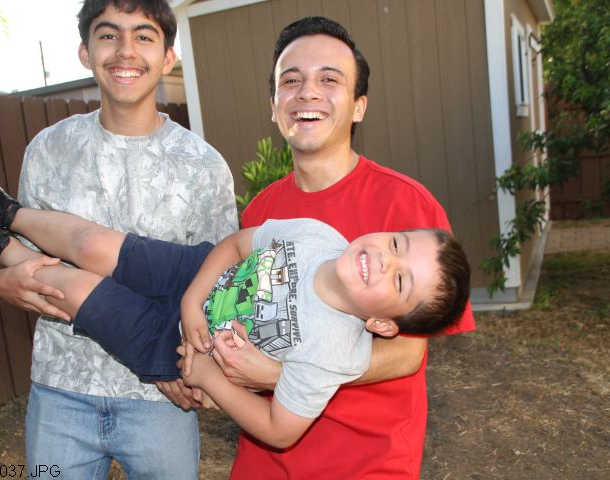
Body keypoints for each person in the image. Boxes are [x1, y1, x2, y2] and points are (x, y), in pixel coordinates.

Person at [0, 163, 470, 450]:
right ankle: (9, 212)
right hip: (192, 273)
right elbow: (236, 245)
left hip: (180, 348)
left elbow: (281, 430)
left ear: (381, 324)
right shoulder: (316, 234)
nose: (384, 260)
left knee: (75, 291)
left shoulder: (337, 354)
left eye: (401, 281)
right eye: (397, 244)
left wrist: (209, 377)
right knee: (93, 244)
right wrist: (192, 295)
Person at [196, 16, 477, 479]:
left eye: (329, 80)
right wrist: (210, 364)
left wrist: (279, 376)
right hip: (264, 464)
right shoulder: (264, 211)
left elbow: (409, 353)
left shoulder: (408, 205)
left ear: (359, 106)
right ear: (274, 106)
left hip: (367, 463)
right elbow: (239, 316)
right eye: (291, 81)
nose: (307, 93)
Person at [0, 0, 237, 478]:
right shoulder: (48, 150)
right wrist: (3, 280)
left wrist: (181, 367)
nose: (125, 51)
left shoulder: (204, 167)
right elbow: (28, 262)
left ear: (168, 57)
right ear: (85, 52)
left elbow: (213, 289)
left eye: (143, 36)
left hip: (160, 396)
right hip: (61, 387)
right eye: (108, 35)